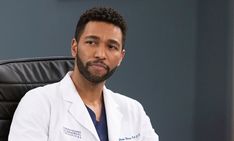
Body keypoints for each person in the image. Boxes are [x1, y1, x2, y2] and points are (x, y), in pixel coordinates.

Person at [8, 7, 158, 141]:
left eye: (111, 46)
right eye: (91, 42)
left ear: (120, 57)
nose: (100, 54)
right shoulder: (38, 103)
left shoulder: (133, 111)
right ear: (74, 47)